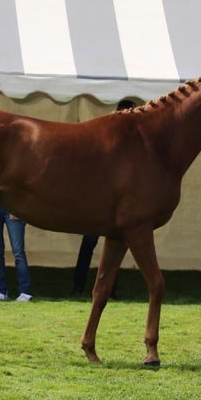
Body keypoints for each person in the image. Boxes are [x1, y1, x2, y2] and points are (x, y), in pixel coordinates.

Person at [72, 99, 137, 295]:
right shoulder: (108, 135)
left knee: (114, 247)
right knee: (90, 245)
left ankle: (108, 288)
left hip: (116, 202)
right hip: (101, 203)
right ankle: (79, 286)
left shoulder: (131, 141)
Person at [0, 202, 31, 301]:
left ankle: (24, 292)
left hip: (12, 206)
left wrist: (17, 208)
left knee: (18, 252)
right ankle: (1, 291)